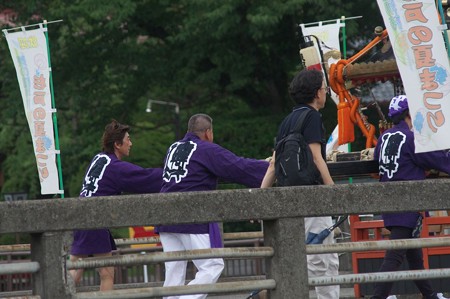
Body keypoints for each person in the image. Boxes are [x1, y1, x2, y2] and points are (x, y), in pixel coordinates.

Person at [156, 113, 269, 299]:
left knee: (174, 271)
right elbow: (236, 166)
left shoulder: (173, 148)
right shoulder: (205, 149)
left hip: (164, 215)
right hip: (191, 215)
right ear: (208, 132)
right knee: (212, 265)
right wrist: (267, 167)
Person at [260, 69, 339, 299]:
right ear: (317, 93)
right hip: (312, 197)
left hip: (290, 196)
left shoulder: (287, 120)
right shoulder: (312, 117)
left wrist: (260, 195)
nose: (326, 92)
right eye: (325, 88)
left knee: (307, 256)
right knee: (322, 259)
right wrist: (333, 189)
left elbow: (274, 164)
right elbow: (316, 156)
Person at [371, 95, 449, 299]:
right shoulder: (413, 138)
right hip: (407, 204)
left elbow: (377, 161)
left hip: (389, 203)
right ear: (409, 115)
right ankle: (377, 297)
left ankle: (430, 295)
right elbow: (438, 161)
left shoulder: (384, 137)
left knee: (414, 256)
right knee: (395, 256)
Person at [70, 120, 163, 291]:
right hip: (96, 220)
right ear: (117, 144)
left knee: (74, 270)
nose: (130, 143)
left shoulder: (98, 159)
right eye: (128, 139)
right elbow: (145, 177)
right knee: (106, 274)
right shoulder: (115, 167)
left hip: (81, 216)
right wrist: (172, 175)